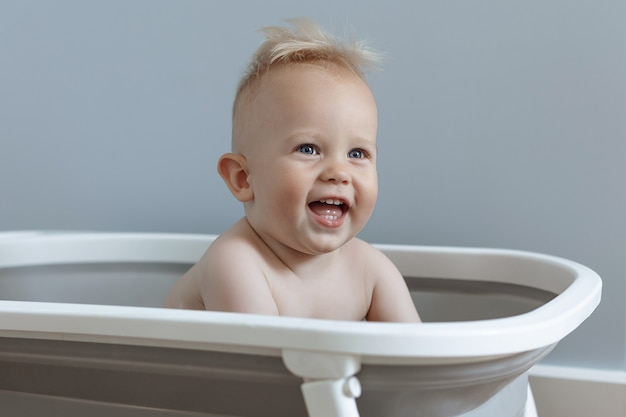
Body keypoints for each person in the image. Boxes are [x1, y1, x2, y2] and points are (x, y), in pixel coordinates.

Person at [165, 19, 420, 322]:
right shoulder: (236, 263)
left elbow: (416, 357)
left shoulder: (371, 270)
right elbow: (262, 366)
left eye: (357, 153)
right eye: (308, 149)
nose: (339, 172)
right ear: (243, 178)